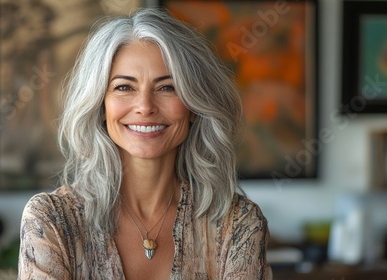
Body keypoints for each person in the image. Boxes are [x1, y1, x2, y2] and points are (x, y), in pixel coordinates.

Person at [18, 8, 272, 279]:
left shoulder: (239, 224)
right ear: (100, 106)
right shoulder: (51, 221)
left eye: (167, 87)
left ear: (194, 107)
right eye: (124, 87)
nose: (145, 106)